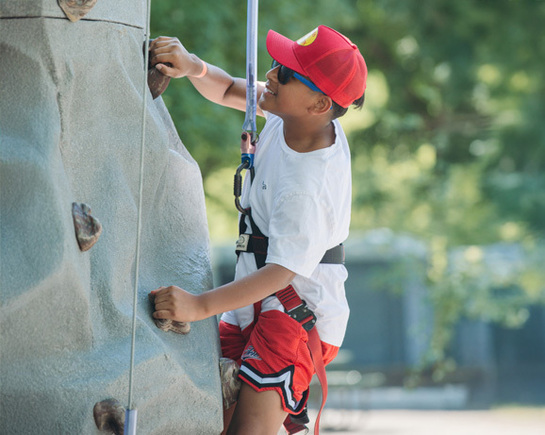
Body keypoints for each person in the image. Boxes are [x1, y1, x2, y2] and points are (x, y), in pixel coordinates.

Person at [149, 25, 367, 435]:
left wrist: (198, 307)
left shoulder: (308, 186)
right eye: (276, 63)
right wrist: (194, 67)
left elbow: (282, 271)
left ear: (319, 103)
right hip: (255, 300)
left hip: (296, 315)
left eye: (285, 73)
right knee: (213, 421)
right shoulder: (294, 120)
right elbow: (232, 89)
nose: (271, 75)